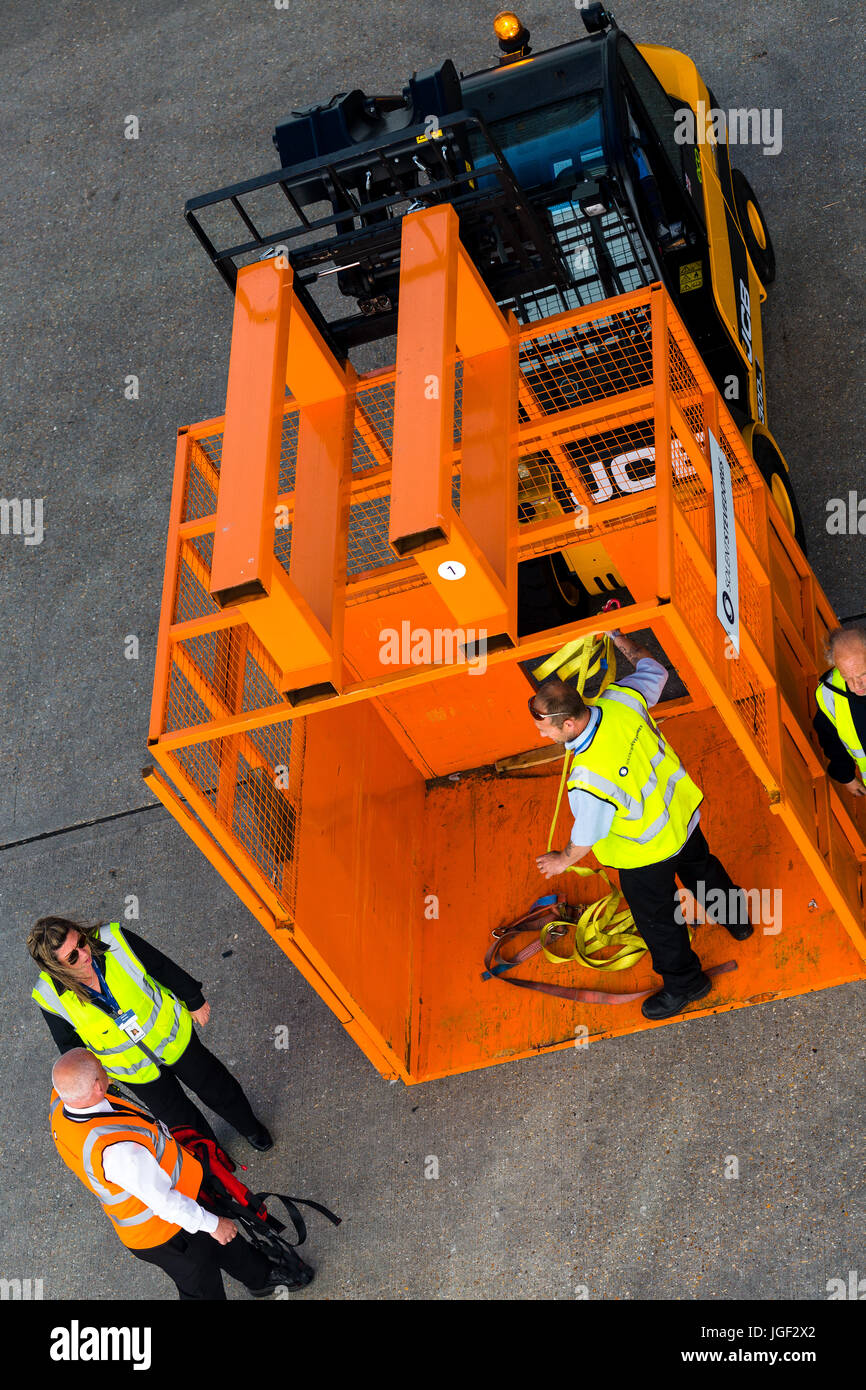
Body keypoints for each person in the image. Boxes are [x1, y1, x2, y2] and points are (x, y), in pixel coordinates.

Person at [530, 629, 752, 1020]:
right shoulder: (621, 699)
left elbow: (589, 834)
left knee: (660, 922)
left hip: (645, 853)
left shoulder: (588, 776)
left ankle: (687, 984)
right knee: (705, 871)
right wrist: (619, 639)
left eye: (544, 726)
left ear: (567, 725)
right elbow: (654, 670)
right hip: (681, 819)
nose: (541, 732)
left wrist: (561, 860)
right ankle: (737, 922)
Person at [49, 1048, 311, 1300]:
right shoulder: (120, 1152)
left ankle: (261, 1278)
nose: (106, 1071)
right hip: (165, 1232)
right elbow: (165, 1204)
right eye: (101, 1070)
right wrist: (212, 1225)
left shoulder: (62, 1099)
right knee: (201, 1285)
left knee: (224, 1241)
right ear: (96, 1087)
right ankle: (255, 1275)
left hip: (181, 1199)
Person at [28, 916, 272, 1150]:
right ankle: (214, 1162)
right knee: (180, 1120)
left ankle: (251, 1129)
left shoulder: (114, 939)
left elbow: (160, 966)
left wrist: (193, 998)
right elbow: (69, 1045)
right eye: (72, 957)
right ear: (56, 968)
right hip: (134, 1070)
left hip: (172, 1037)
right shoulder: (49, 996)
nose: (84, 953)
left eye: (81, 942)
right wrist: (93, 1077)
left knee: (216, 1086)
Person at [813, 626, 866, 798]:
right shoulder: (829, 694)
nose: (856, 686)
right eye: (847, 677)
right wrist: (846, 776)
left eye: (862, 675)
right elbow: (830, 739)